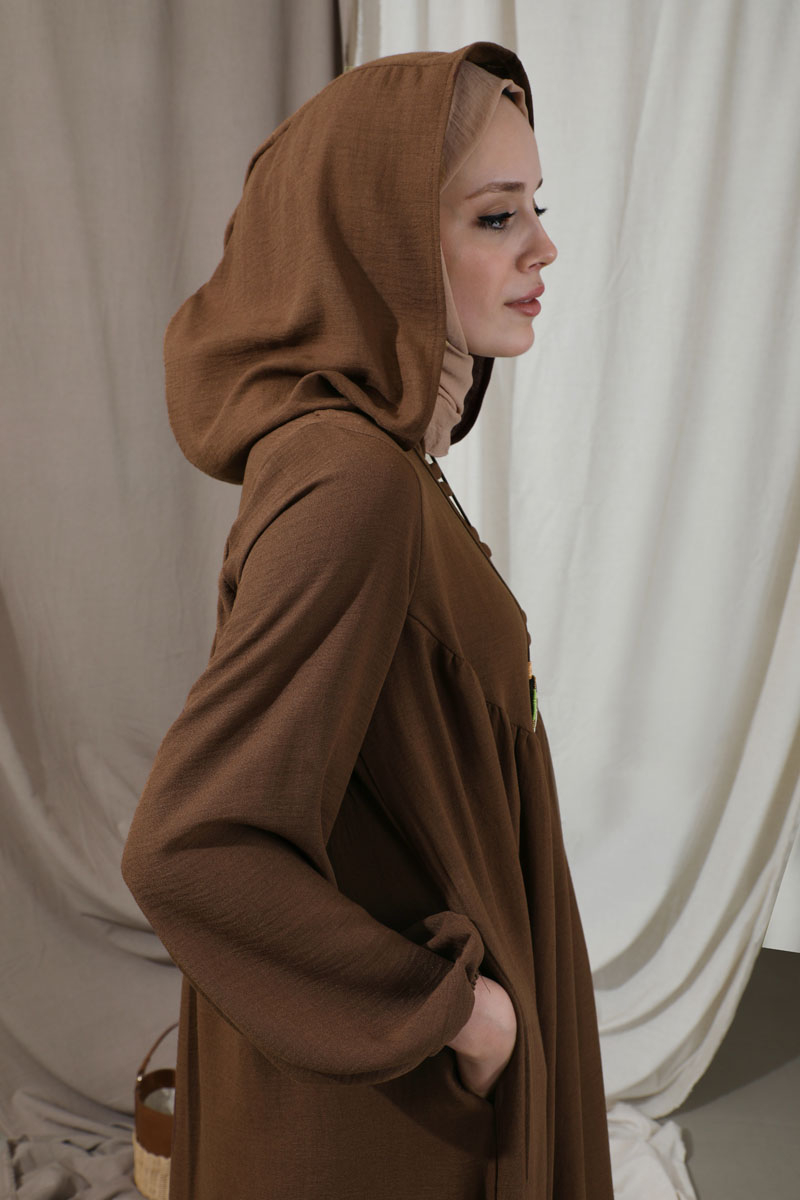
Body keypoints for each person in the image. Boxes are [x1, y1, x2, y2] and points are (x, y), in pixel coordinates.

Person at [122, 41, 614, 1200]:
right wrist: (459, 1016)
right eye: (494, 217)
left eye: (534, 208)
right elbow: (190, 846)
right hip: (382, 1121)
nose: (541, 247)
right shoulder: (351, 482)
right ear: (380, 244)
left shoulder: (383, 458)